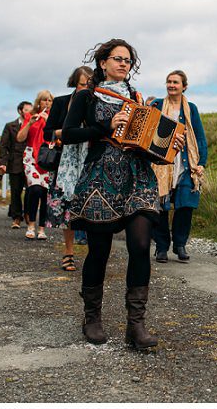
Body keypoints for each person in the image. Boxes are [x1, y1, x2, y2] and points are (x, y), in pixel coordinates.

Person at [61, 39, 167, 349]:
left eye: (127, 60)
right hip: (99, 179)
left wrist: (165, 147)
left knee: (140, 244)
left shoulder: (137, 98)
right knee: (99, 252)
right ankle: (91, 317)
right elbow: (68, 135)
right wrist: (106, 126)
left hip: (138, 178)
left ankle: (136, 325)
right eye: (117, 58)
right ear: (103, 63)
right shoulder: (86, 97)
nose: (123, 63)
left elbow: (144, 143)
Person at [149, 71, 208, 263]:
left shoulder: (191, 108)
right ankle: (161, 247)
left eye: (175, 82)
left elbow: (199, 137)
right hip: (161, 163)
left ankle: (180, 244)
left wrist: (201, 162)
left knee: (185, 206)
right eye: (169, 81)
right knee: (161, 206)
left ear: (184, 86)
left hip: (184, 163)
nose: (171, 85)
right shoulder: (157, 104)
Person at [47, 66, 93, 266]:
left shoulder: (96, 102)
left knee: (91, 206)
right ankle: (68, 252)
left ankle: (95, 254)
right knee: (67, 208)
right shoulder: (60, 102)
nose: (86, 88)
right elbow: (46, 132)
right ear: (75, 83)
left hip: (90, 158)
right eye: (83, 84)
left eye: (90, 84)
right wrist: (65, 133)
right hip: (64, 161)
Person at [21, 91, 55, 241]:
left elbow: (58, 138)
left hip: (48, 156)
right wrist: (30, 123)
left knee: (45, 193)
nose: (47, 103)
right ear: (39, 102)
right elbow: (20, 138)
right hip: (31, 156)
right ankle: (30, 225)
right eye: (44, 100)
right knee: (35, 189)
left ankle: (42, 229)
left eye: (49, 100)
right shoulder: (30, 116)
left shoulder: (55, 118)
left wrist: (49, 123)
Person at [0, 101, 33, 230]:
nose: (28, 113)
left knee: (30, 192)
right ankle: (16, 217)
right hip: (15, 162)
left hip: (31, 162)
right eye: (26, 110)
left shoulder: (34, 124)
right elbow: (4, 145)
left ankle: (29, 216)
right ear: (20, 111)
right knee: (16, 192)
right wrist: (2, 163)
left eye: (31, 110)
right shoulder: (10, 126)